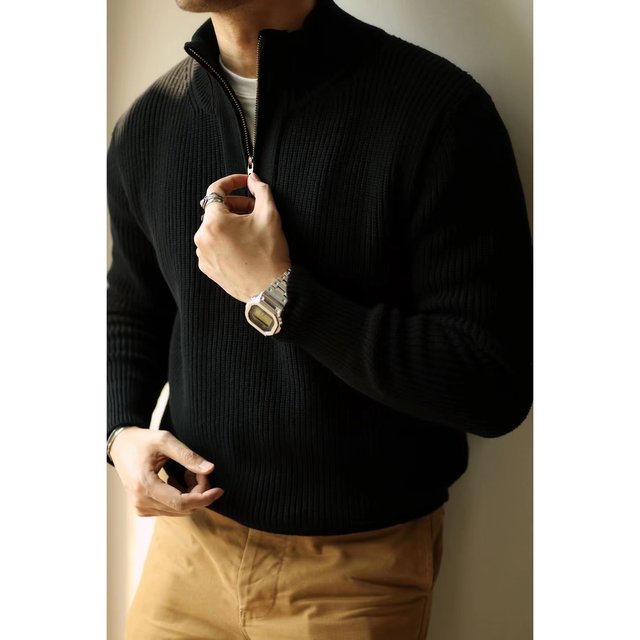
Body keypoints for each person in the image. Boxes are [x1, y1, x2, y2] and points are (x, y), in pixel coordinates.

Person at [107, 0, 533, 637]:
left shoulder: (437, 111)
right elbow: (131, 308)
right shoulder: (151, 121)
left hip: (355, 573)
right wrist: (118, 433)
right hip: (188, 554)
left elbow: (491, 384)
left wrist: (279, 295)